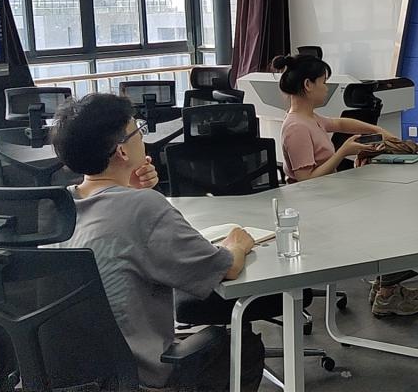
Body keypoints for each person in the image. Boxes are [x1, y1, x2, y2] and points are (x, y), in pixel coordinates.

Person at [51, 93, 265, 391]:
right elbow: (225, 268)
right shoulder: (143, 207)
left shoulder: (58, 206)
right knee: (243, 347)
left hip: (71, 373)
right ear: (122, 151)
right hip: (135, 377)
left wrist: (130, 188)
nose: (143, 137)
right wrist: (237, 244)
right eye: (138, 130)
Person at [271, 53, 418, 317]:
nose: (326, 88)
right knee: (390, 220)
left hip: (328, 197)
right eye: (323, 82)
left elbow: (340, 123)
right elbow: (305, 180)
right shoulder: (296, 127)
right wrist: (342, 152)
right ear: (308, 85)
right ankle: (387, 292)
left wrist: (378, 132)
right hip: (316, 208)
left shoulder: (309, 118)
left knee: (390, 208)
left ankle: (387, 285)